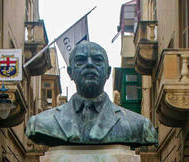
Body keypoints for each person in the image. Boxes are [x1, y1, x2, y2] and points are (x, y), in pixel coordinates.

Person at [26, 41, 157, 147]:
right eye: (81, 60)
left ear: (108, 72)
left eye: (97, 60)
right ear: (70, 73)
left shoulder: (140, 126)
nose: (89, 64)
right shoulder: (40, 124)